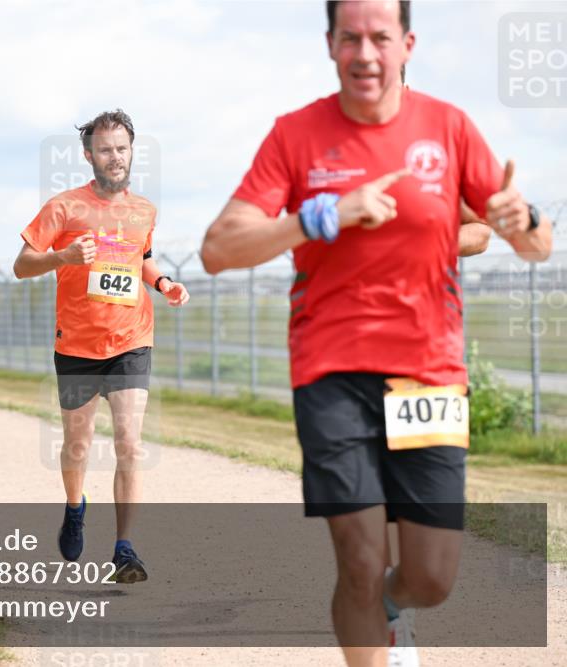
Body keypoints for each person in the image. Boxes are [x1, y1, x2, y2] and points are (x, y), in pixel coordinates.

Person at [200, 2, 554, 665]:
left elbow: (535, 244)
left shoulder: (448, 127)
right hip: (330, 368)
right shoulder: (295, 135)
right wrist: (318, 217)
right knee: (360, 560)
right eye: (351, 38)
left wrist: (523, 217)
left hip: (429, 369)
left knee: (431, 576)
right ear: (330, 44)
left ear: (407, 44)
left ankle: (394, 611)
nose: (366, 53)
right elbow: (219, 248)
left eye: (380, 38)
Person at [12, 109, 190, 584]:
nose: (116, 157)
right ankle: (75, 506)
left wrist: (165, 282)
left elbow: (143, 262)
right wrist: (62, 256)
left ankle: (124, 549)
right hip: (77, 343)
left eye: (123, 149)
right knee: (78, 445)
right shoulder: (63, 207)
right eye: (106, 149)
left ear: (133, 152)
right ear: (88, 154)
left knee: (130, 444)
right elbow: (21, 264)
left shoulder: (144, 210)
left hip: (132, 338)